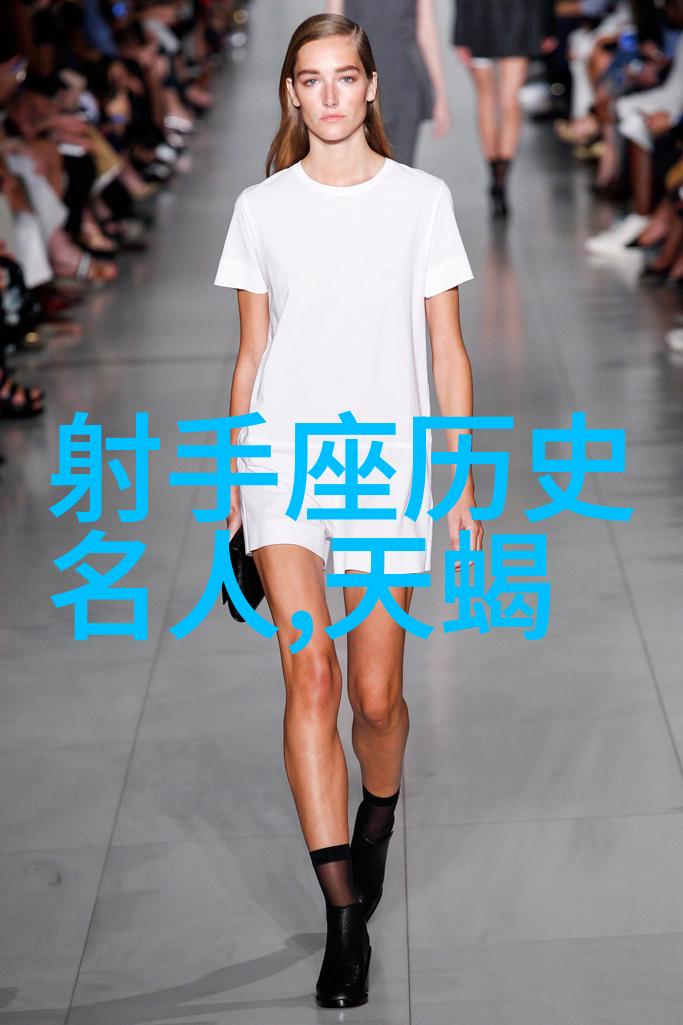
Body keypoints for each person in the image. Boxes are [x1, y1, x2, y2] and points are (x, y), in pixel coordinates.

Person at [213, 12, 482, 1009]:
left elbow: (447, 351)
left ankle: (378, 807)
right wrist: (235, 492)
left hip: (381, 468)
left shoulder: (420, 201)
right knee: (311, 673)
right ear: (291, 92)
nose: (327, 94)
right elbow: (251, 356)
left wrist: (457, 480)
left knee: (374, 697)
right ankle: (341, 921)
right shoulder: (259, 208)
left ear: (371, 87)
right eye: (309, 79)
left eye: (343, 77)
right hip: (282, 463)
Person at [453, 0, 558, 216]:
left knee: (486, 100)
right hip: (519, 20)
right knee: (509, 101)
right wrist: (547, 26)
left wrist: (460, 34)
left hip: (478, 21)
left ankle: (494, 174)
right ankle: (502, 178)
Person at [325, 0, 452, 166]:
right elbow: (333, 27)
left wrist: (440, 96)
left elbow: (426, 30)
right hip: (359, 83)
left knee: (401, 167)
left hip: (403, 83)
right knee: (358, 167)